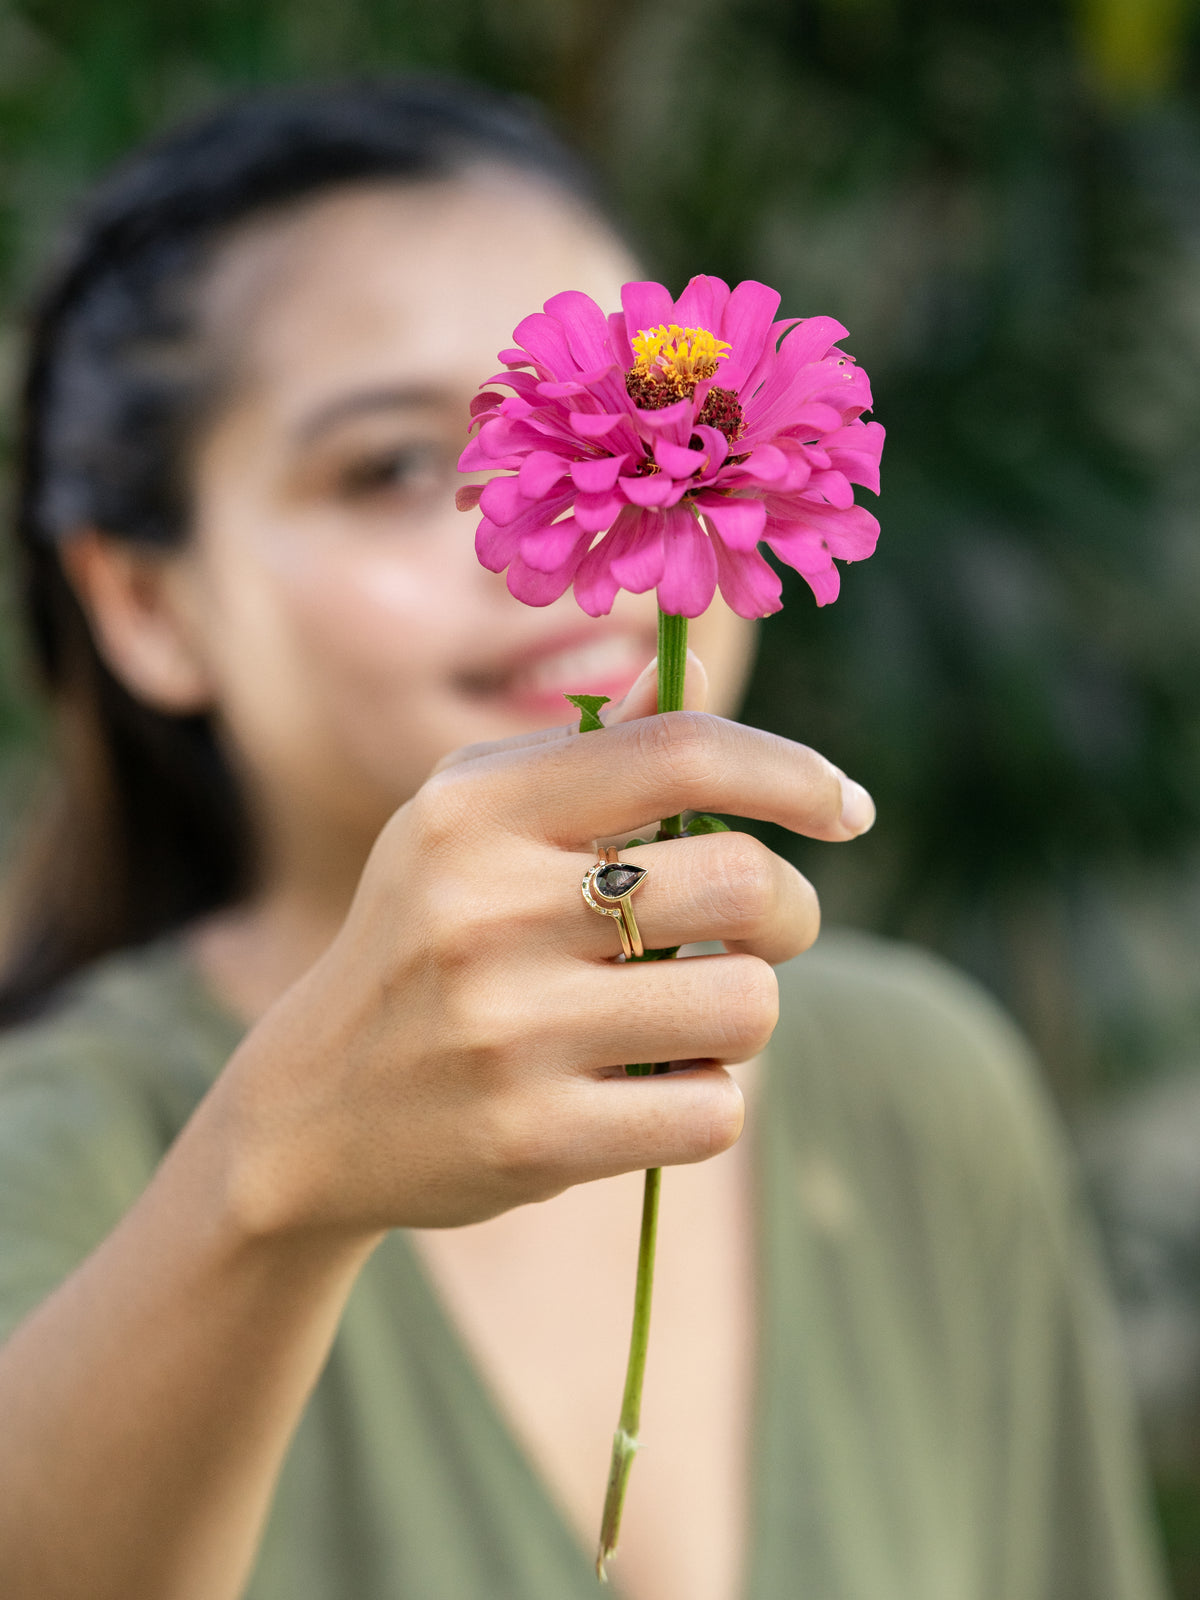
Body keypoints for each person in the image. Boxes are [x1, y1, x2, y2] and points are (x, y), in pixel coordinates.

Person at [0, 80, 1166, 1600]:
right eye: (392, 468)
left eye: (639, 414)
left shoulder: (924, 1090)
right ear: (149, 605)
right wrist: (274, 1178)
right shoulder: (64, 1146)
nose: (527, 536)